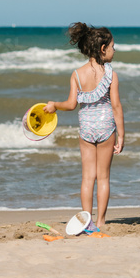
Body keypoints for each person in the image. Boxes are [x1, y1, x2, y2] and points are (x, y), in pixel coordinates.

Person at [44, 22, 124, 232]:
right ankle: (100, 222)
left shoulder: (77, 75)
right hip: (106, 128)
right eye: (113, 46)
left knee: (88, 177)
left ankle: (86, 222)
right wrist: (121, 135)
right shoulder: (111, 74)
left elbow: (71, 104)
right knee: (104, 177)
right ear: (102, 49)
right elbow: (116, 106)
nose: (115, 51)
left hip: (86, 129)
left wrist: (54, 105)